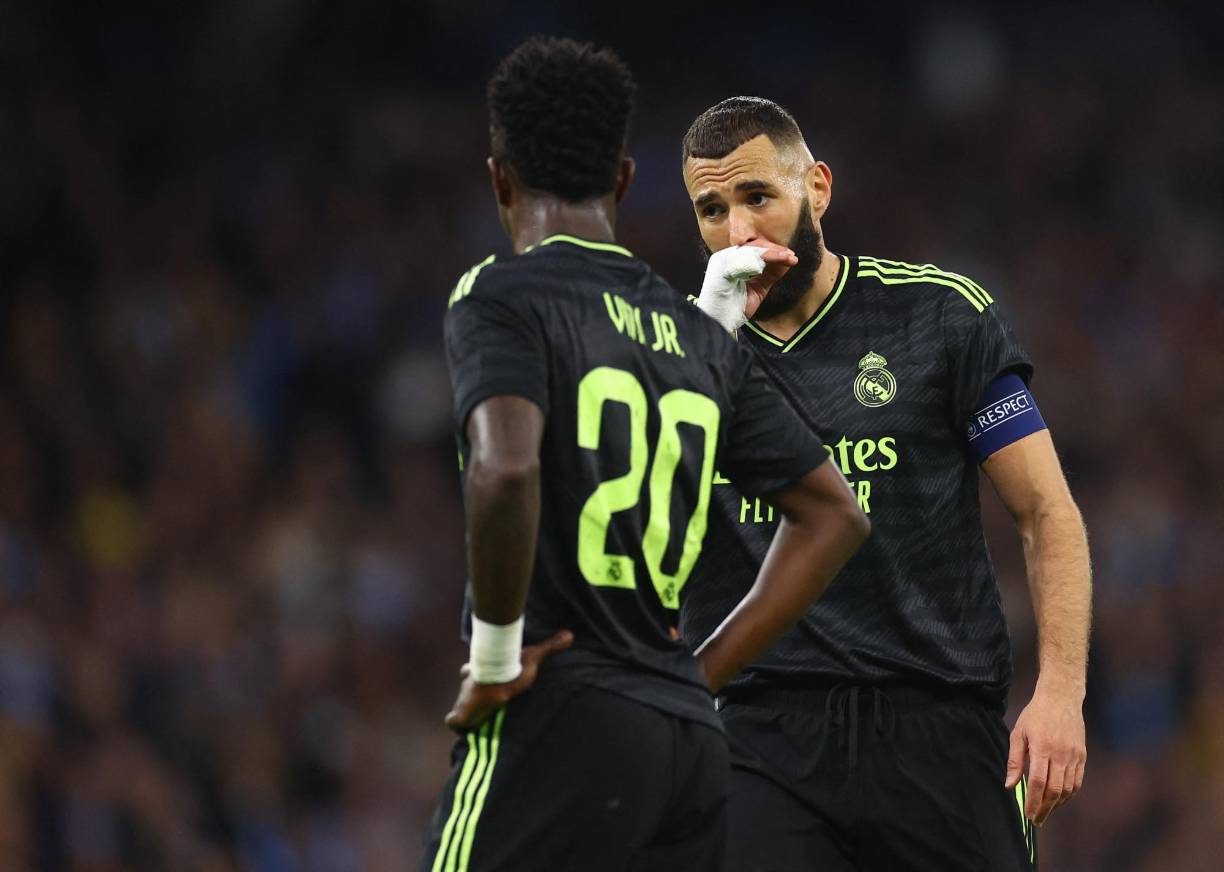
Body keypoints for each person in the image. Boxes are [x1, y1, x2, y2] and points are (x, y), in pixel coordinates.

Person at [419, 44, 870, 872]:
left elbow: (507, 467)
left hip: (556, 709)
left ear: (499, 181)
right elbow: (837, 515)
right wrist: (696, 679)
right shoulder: (700, 338)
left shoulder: (502, 295)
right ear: (623, 182)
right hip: (686, 746)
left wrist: (493, 658)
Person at [680, 96, 1092, 871]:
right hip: (758, 734)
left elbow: (1045, 513)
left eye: (758, 197)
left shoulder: (938, 317)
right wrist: (701, 356)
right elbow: (640, 541)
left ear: (819, 189)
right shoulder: (679, 351)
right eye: (711, 209)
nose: (736, 233)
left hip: (935, 721)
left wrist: (1061, 691)